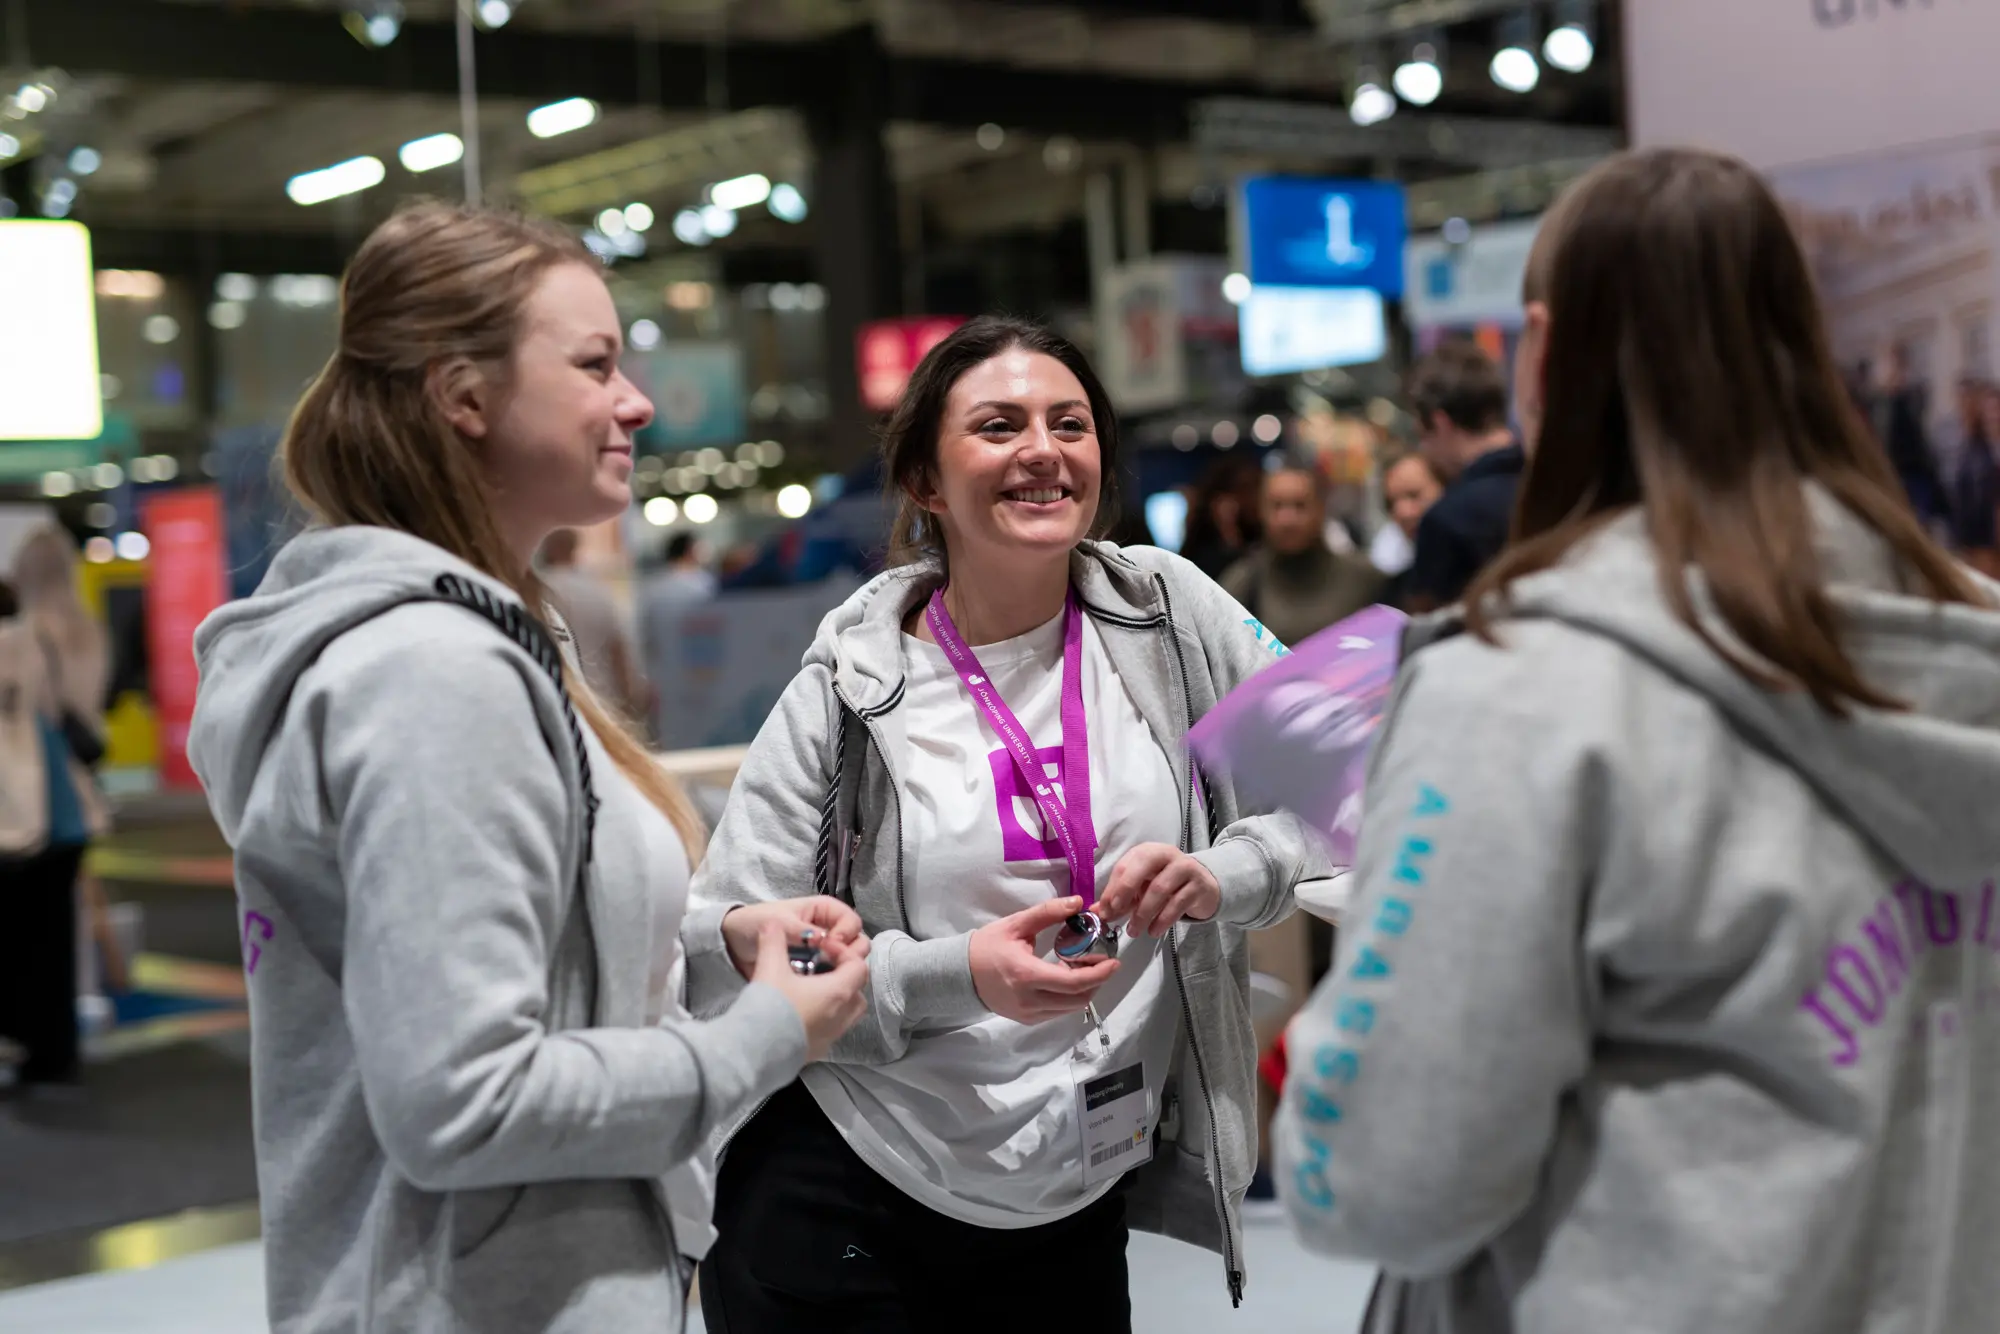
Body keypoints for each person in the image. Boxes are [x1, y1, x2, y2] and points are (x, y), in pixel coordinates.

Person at [1278, 147, 2000, 1333]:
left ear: (1545, 354)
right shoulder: (1971, 658)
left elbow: (1383, 1181)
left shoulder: (1518, 691)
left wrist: (1331, 1043)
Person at [185, 202, 871, 1334]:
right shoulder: (431, 672)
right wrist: (764, 1035)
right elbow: (464, 1098)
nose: (635, 400)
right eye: (596, 363)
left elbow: (492, 951)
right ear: (465, 396)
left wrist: (707, 943)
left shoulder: (479, 637)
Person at [692, 315, 1321, 1330]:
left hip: (1071, 1194)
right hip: (847, 1189)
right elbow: (722, 940)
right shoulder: (851, 681)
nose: (1041, 448)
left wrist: (1225, 871)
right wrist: (957, 974)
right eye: (997, 425)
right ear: (926, 482)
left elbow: (1352, 776)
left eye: (1067, 422)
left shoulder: (1166, 613)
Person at [0, 573, 90, 1089]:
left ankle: (22, 1047)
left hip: (17, 817)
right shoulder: (40, 640)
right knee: (51, 944)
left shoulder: (20, 644)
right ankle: (56, 1051)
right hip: (63, 811)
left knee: (14, 948)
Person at [1401, 342, 1524, 610]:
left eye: (1423, 436)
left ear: (1441, 423)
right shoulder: (1554, 482)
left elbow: (1431, 628)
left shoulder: (1445, 520)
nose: (1426, 452)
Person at [1222, 466, 1386, 653]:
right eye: (1277, 506)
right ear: (1261, 512)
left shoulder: (1364, 578)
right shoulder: (1242, 584)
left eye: (1300, 506)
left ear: (1320, 509)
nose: (1287, 519)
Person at [537, 525, 650, 723]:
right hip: (602, 697)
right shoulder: (598, 592)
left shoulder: (536, 591)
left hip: (555, 696)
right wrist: (630, 696)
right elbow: (617, 650)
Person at [1179, 456, 1264, 578]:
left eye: (1257, 487)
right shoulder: (1203, 544)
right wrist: (1228, 533)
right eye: (1245, 489)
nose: (1254, 497)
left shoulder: (1263, 531)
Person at [1946, 379, 1999, 573]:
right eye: (1990, 410)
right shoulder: (1973, 450)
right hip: (1979, 537)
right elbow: (1965, 493)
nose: (1995, 415)